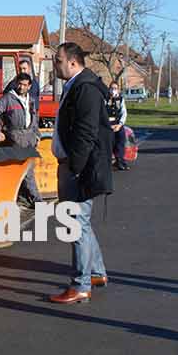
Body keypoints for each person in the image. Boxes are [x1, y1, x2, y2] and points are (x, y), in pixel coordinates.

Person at [47, 42, 113, 304]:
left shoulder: (85, 88)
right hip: (76, 166)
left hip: (79, 168)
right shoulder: (77, 85)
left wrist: (74, 167)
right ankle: (96, 273)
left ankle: (81, 284)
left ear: (73, 62)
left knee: (75, 225)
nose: (55, 65)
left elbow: (86, 133)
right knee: (81, 223)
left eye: (58, 60)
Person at [0, 72, 41, 205]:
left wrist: (37, 134)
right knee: (27, 170)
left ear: (29, 86)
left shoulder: (31, 100)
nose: (21, 87)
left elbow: (35, 118)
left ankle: (23, 198)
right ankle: (37, 200)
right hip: (16, 137)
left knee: (27, 169)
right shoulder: (8, 98)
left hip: (29, 137)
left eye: (24, 85)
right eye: (19, 84)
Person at [107, 82, 130, 171]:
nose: (113, 90)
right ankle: (109, 163)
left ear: (118, 90)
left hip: (118, 124)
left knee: (120, 142)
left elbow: (123, 112)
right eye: (112, 88)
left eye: (115, 88)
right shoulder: (105, 99)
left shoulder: (120, 99)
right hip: (107, 125)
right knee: (110, 143)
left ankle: (120, 162)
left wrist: (120, 125)